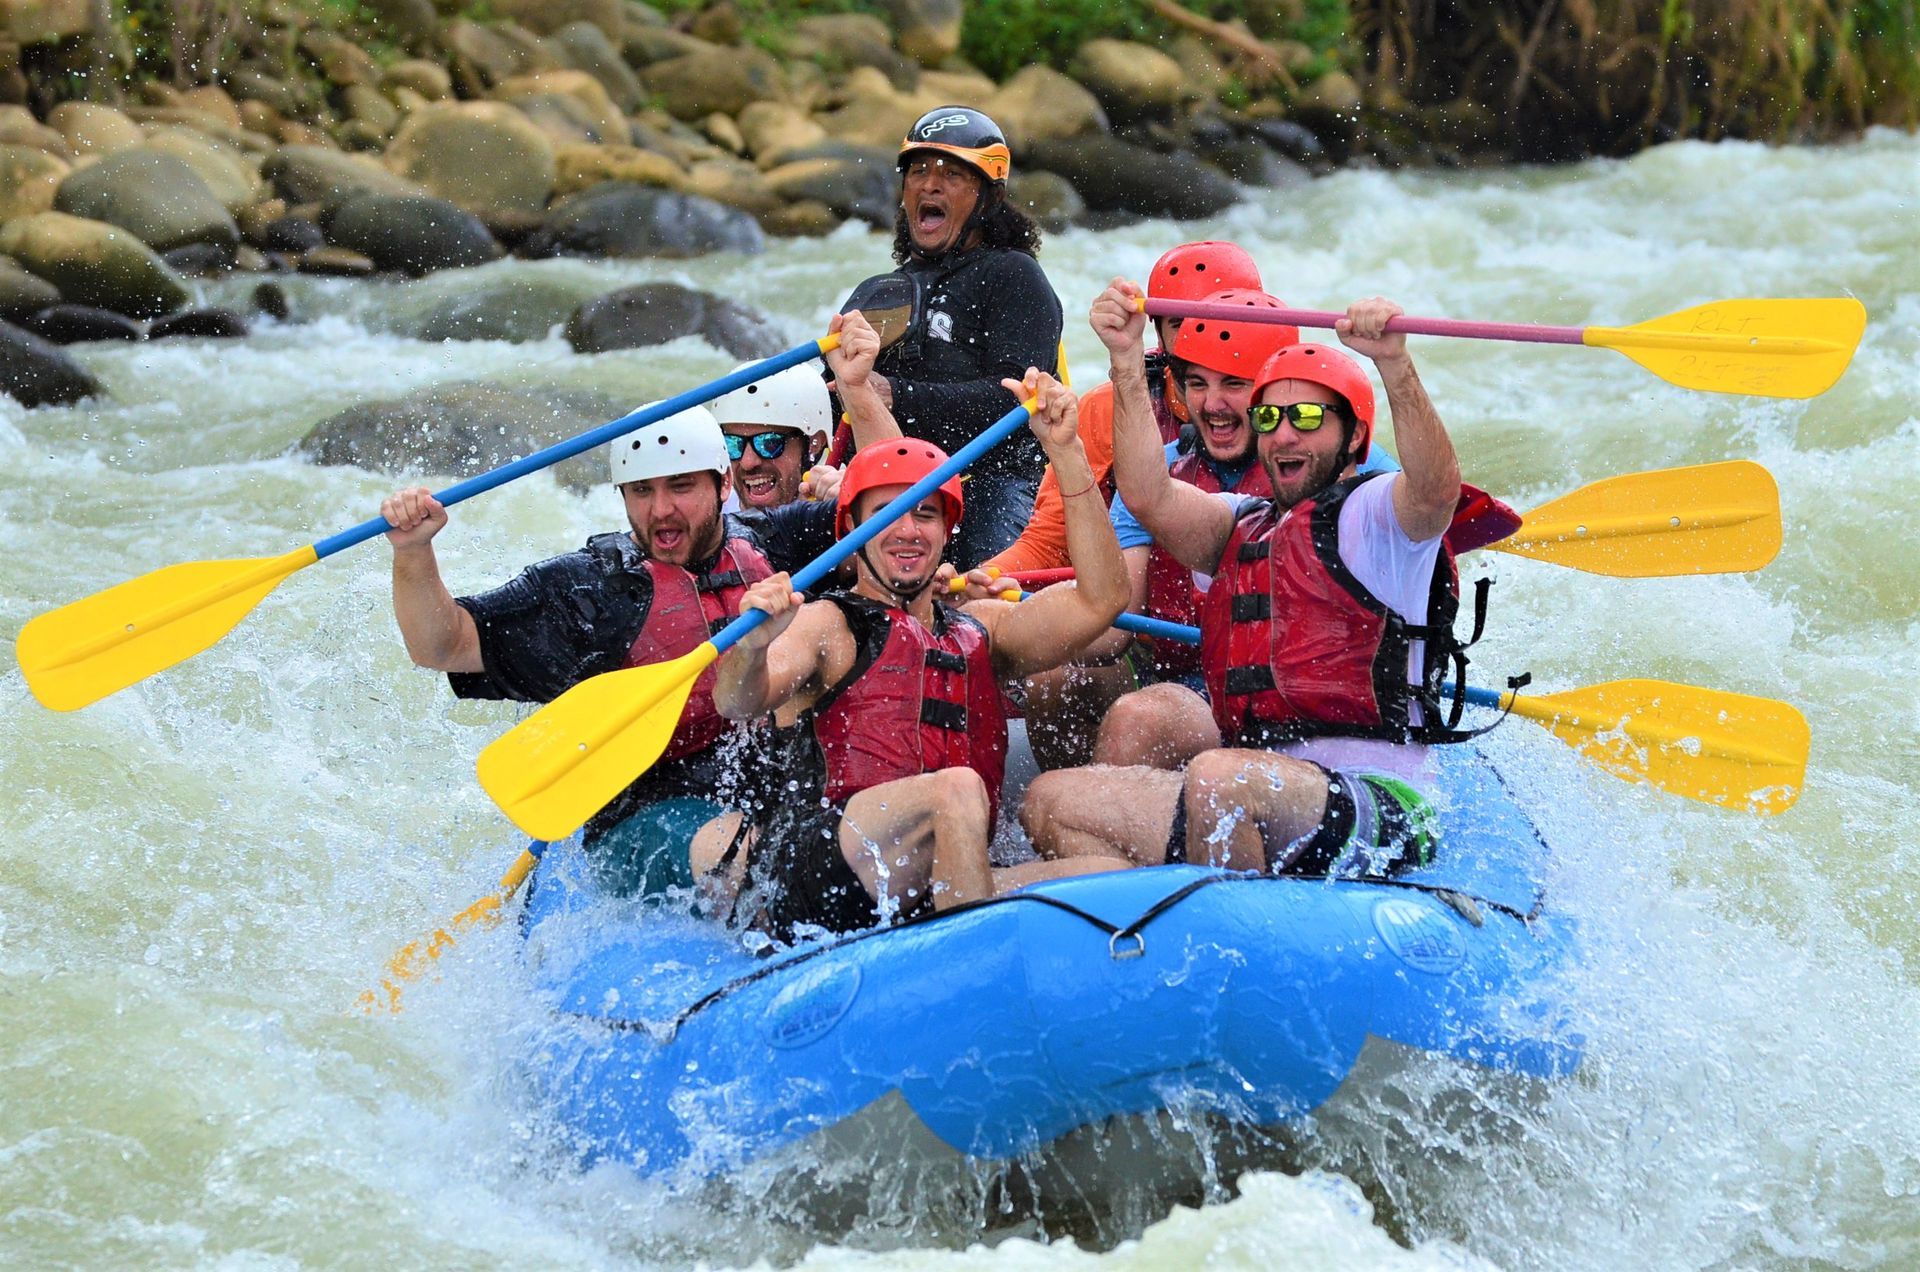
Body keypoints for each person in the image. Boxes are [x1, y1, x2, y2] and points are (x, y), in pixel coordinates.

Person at [378, 311, 887, 896]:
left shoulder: (769, 541)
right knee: (758, 851)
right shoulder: (592, 592)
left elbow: (896, 507)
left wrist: (857, 390)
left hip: (767, 789)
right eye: (643, 491)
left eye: (681, 487)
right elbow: (441, 645)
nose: (661, 510)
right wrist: (413, 551)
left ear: (722, 485)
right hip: (646, 818)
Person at [1022, 283, 1479, 881]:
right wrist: (1127, 362)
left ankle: (1232, 918)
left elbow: (1437, 492)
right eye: (1269, 418)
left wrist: (1394, 364)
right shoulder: (1241, 522)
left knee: (1218, 777)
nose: (1283, 434)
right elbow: (1148, 494)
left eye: (1306, 418)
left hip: (1375, 798)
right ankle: (1154, 916)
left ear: (1355, 438)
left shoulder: (1379, 520)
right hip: (1255, 783)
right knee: (1053, 799)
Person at [692, 371, 1130, 941]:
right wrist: (751, 647)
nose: (907, 530)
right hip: (830, 872)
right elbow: (735, 701)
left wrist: (1067, 453)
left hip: (944, 878)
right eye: (886, 514)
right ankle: (970, 965)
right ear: (850, 529)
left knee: (1111, 877)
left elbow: (1103, 600)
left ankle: (966, 929)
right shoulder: (828, 623)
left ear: (948, 530)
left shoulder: (980, 627)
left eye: (925, 514)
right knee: (956, 789)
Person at [835, 105, 1064, 566]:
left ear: (989, 198)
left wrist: (896, 394)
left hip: (996, 481)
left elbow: (1016, 402)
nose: (930, 185)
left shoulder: (1013, 276)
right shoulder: (876, 293)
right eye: (919, 171)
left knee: (986, 579)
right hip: (888, 484)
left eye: (952, 175)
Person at [711, 362, 838, 512]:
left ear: (814, 442)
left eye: (768, 443)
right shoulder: (708, 512)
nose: (747, 463)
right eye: (733, 444)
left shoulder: (840, 509)